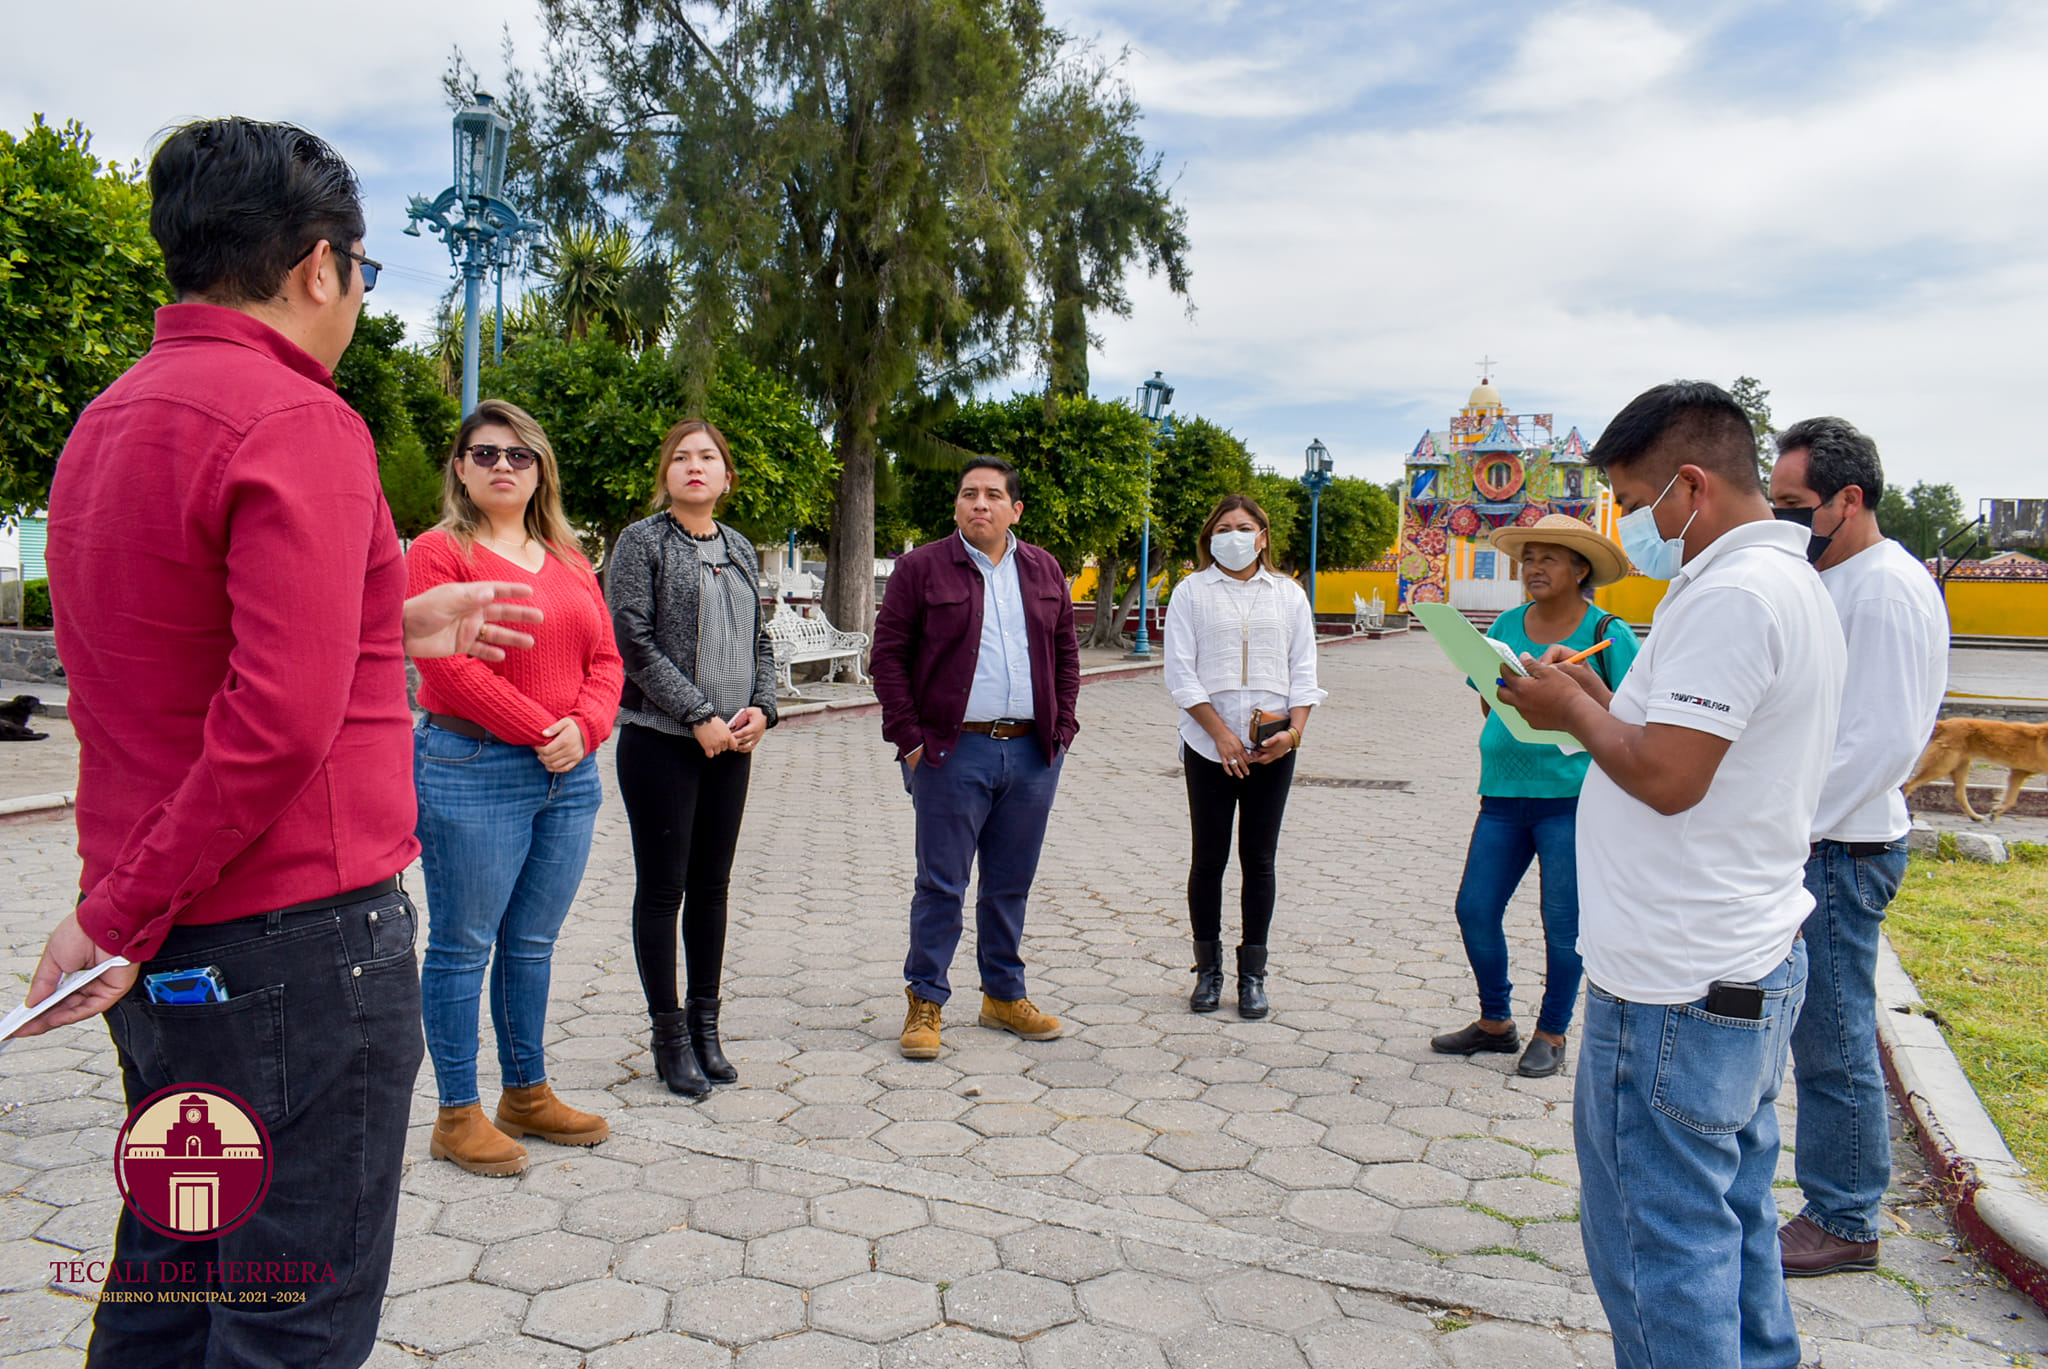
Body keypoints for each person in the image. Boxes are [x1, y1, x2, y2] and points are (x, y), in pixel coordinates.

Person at [27, 117, 529, 1369]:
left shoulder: (109, 420)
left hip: (170, 953)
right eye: (364, 270)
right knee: (283, 1321)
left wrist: (386, 626)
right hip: (296, 957)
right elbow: (274, 727)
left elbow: (175, 651)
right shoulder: (297, 418)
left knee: (164, 1288)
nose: (359, 294)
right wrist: (117, 915)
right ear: (319, 266)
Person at [1498, 381, 1845, 1369]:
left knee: (1660, 1246)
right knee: (1729, 1220)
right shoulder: (1776, 583)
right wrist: (1599, 694)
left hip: (1671, 985)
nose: (1631, 525)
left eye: (1634, 500)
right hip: (1738, 955)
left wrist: (1570, 715)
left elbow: (1666, 775)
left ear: (1689, 485)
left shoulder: (1733, 595)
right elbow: (1694, 740)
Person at [408, 400, 624, 1176]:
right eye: (485, 452)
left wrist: (587, 727)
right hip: (473, 770)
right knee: (464, 945)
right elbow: (445, 668)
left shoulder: (568, 556)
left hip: (568, 775)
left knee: (532, 942)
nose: (503, 465)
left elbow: (606, 659)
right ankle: (457, 1111)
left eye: (519, 455)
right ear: (461, 467)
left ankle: (525, 1093)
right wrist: (544, 729)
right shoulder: (440, 552)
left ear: (541, 470)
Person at [1769, 417, 1947, 1276]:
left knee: (1835, 1039)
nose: (1787, 525)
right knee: (1814, 1029)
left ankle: (1846, 1215)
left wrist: (1780, 830)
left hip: (1838, 847)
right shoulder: (1835, 576)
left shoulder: (1885, 589)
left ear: (1851, 498)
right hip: (1816, 840)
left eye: (1796, 507)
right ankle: (1834, 1199)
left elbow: (1881, 744)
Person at [872, 456, 1081, 1060]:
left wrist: (1062, 731)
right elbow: (887, 658)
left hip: (1032, 752)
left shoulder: (1044, 568)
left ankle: (1003, 996)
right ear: (957, 505)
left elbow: (1066, 654)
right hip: (950, 750)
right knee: (941, 883)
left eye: (993, 495)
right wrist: (910, 741)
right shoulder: (921, 568)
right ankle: (926, 1001)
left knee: (1010, 884)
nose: (979, 504)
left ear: (1016, 509)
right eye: (969, 494)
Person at [1431, 514, 1639, 1078]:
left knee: (1562, 921)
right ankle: (1495, 1022)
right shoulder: (1506, 622)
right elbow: (1487, 698)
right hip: (1501, 790)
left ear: (1580, 568)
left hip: (1571, 798)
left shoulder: (1608, 633)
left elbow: (1631, 717)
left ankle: (1552, 1031)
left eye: (1549, 557)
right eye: (1529, 558)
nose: (1535, 567)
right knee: (1474, 908)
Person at [607, 419, 778, 1098]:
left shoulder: (738, 546)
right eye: (681, 456)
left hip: (732, 746)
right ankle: (669, 1036)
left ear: (726, 476)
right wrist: (697, 714)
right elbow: (634, 639)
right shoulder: (641, 542)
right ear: (666, 474)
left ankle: (708, 1029)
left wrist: (762, 708)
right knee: (663, 890)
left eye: (708, 456)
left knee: (712, 889)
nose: (695, 465)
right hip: (661, 743)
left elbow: (760, 639)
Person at [1162, 495, 1325, 1019]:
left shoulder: (1288, 595)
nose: (1233, 535)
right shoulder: (1191, 592)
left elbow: (1304, 671)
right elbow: (1180, 673)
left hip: (1273, 748)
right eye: (1223, 527)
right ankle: (1207, 973)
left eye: (1244, 527)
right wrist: (1220, 735)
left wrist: (1293, 735)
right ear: (1210, 537)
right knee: (1208, 859)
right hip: (1207, 745)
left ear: (1262, 536)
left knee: (1259, 860)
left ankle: (1252, 976)